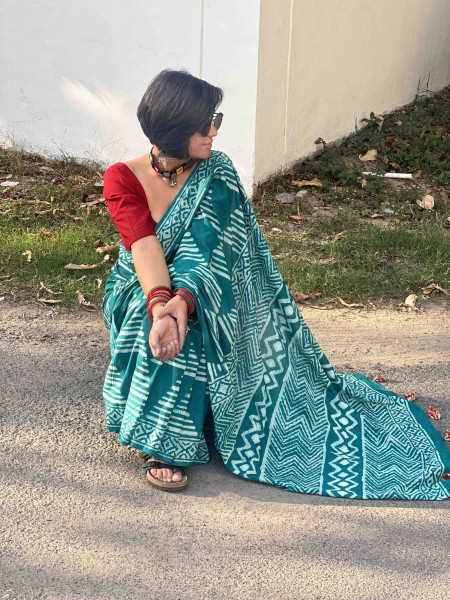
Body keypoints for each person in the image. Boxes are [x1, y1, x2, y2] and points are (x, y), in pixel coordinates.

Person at [102, 68, 450, 499]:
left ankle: (173, 433)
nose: (215, 132)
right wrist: (161, 306)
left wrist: (183, 302)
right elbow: (144, 247)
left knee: (191, 324)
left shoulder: (216, 172)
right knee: (152, 318)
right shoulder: (123, 177)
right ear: (175, 130)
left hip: (213, 281)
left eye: (216, 120)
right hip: (141, 281)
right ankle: (163, 442)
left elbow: (210, 253)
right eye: (206, 125)